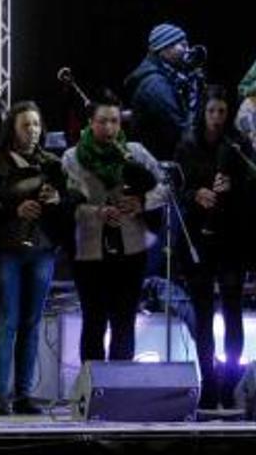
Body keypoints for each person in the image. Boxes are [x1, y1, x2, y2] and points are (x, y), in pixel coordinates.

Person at [62, 90, 167, 362]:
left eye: (115, 121)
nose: (109, 128)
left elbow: (166, 189)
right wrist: (97, 211)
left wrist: (141, 202)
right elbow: (66, 206)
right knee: (94, 321)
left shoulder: (135, 153)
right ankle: (92, 391)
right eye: (103, 121)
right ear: (90, 123)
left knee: (124, 321)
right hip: (90, 249)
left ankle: (121, 392)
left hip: (130, 248)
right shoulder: (72, 158)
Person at [0, 101, 70, 415]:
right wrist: (13, 209)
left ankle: (24, 394)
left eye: (36, 124)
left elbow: (69, 204)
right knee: (7, 322)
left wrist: (58, 199)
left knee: (31, 323)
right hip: (6, 252)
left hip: (42, 252)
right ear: (12, 129)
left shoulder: (53, 164)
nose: (32, 131)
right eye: (25, 125)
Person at [176, 85, 251, 409]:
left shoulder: (238, 144)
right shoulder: (187, 144)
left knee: (232, 309)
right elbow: (176, 190)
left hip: (232, 237)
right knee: (203, 311)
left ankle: (230, 380)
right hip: (198, 237)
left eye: (222, 112)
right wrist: (196, 194)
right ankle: (208, 379)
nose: (217, 118)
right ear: (202, 112)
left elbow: (252, 190)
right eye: (212, 111)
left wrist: (234, 188)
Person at [124, 23, 204, 160]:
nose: (188, 51)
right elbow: (181, 129)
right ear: (164, 49)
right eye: (183, 46)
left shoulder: (170, 77)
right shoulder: (155, 85)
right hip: (156, 162)